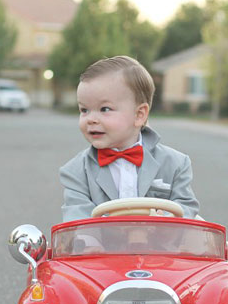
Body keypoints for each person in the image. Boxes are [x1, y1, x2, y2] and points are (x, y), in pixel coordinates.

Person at [59, 55, 199, 222]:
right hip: (103, 246)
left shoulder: (175, 164)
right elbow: (76, 218)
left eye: (104, 109)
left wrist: (165, 218)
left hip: (160, 244)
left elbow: (186, 206)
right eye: (84, 110)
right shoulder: (76, 171)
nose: (91, 119)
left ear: (139, 115)